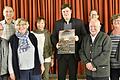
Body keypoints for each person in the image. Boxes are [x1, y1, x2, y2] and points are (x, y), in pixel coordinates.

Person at [51, 4, 87, 80]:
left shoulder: (79, 22)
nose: (65, 13)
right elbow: (53, 36)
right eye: (63, 11)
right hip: (62, 55)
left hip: (73, 55)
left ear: (71, 11)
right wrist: (56, 44)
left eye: (67, 11)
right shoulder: (57, 23)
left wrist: (78, 38)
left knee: (73, 76)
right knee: (61, 76)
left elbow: (85, 36)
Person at [108, 14, 120, 80]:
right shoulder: (109, 33)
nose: (116, 22)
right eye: (114, 20)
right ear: (112, 22)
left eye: (118, 20)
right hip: (112, 66)